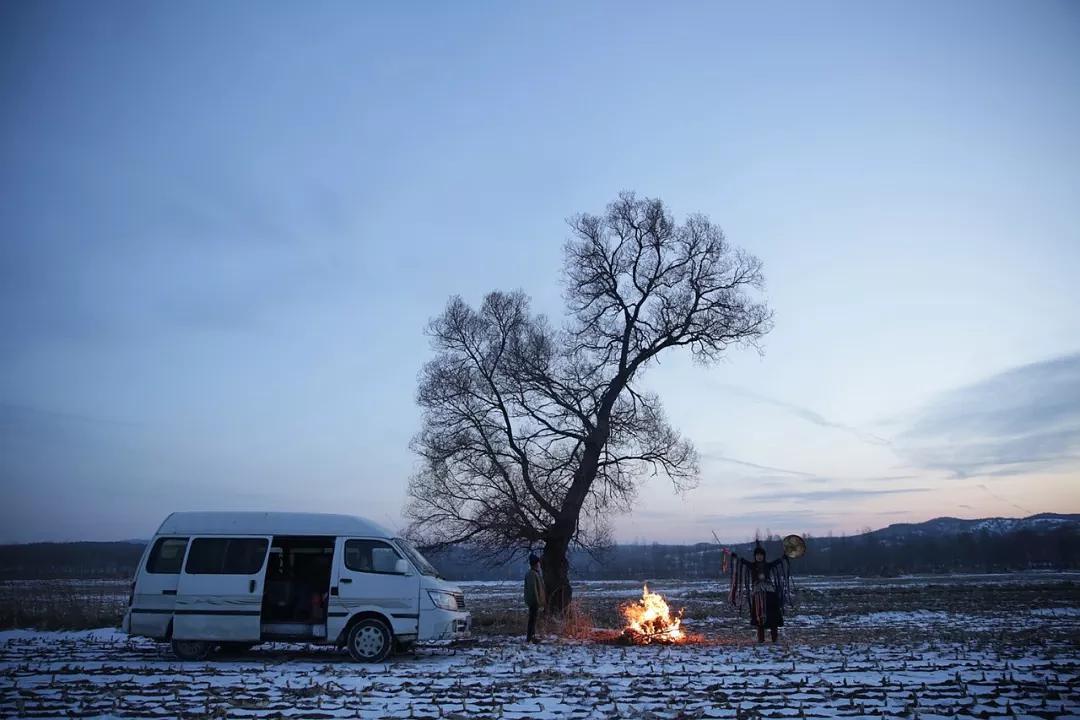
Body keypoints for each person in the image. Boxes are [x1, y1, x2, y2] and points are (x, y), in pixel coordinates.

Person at [725, 541, 793, 643]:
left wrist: (784, 557)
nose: (759, 557)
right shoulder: (752, 565)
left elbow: (778, 561)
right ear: (755, 556)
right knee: (759, 616)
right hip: (757, 595)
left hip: (770, 594)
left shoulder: (768, 565)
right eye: (757, 555)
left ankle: (774, 639)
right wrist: (733, 555)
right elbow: (741, 561)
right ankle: (761, 640)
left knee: (773, 617)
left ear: (764, 556)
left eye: (761, 555)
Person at [523, 553, 546, 643]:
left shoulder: (534, 573)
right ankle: (530, 638)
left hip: (534, 601)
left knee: (533, 619)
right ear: (536, 564)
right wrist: (537, 601)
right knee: (532, 620)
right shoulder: (532, 574)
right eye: (538, 563)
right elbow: (533, 589)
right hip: (533, 601)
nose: (539, 565)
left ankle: (532, 637)